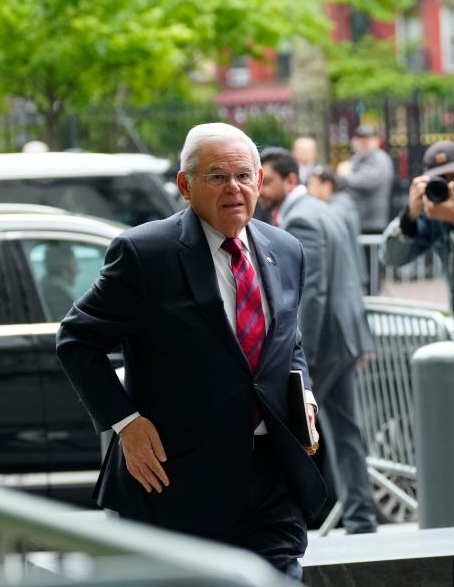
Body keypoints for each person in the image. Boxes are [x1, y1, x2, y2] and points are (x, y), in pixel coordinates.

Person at [56, 123, 326, 579]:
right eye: (217, 176)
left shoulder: (287, 249)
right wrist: (126, 423)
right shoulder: (146, 254)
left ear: (261, 181)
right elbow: (77, 340)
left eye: (244, 175)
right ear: (186, 185)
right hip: (177, 481)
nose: (234, 188)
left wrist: (305, 398)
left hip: (271, 478)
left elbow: (287, 340)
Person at [258, 147, 379, 535]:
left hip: (323, 343)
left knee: (294, 430)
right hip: (341, 337)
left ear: (291, 180)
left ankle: (293, 518)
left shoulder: (302, 218)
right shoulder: (320, 209)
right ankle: (360, 518)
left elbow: (310, 292)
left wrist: (295, 351)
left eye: (269, 180)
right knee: (343, 432)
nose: (261, 189)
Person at [380, 140, 454, 335]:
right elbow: (390, 257)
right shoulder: (434, 205)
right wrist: (409, 216)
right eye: (440, 179)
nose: (448, 186)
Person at [307, 165, 366, 287]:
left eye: (313, 184)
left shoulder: (338, 209)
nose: (309, 189)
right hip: (347, 275)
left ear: (327, 186)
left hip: (347, 277)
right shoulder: (341, 204)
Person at [336, 125, 394, 233]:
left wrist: (345, 176)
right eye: (360, 139)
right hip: (355, 221)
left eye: (367, 139)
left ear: (377, 141)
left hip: (373, 224)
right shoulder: (356, 159)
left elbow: (366, 182)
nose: (363, 143)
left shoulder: (381, 160)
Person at [39, 242, 79, 319]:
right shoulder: (56, 291)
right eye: (75, 263)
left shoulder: (46, 284)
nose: (78, 270)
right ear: (64, 265)